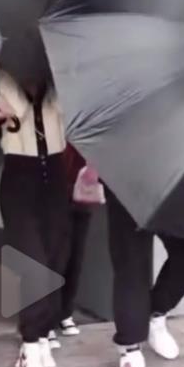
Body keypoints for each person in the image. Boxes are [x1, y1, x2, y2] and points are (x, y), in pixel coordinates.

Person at [0, 69, 70, 367]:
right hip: (18, 175)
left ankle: (44, 331)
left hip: (55, 173)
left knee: (55, 256)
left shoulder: (60, 79)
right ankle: (31, 343)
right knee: (31, 259)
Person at [105, 188, 184, 367]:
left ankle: (155, 313)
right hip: (126, 181)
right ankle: (130, 352)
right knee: (132, 263)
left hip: (173, 184)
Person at [48, 145, 103, 348]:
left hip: (83, 197)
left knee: (75, 258)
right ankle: (46, 320)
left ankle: (65, 312)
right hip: (55, 195)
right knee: (55, 259)